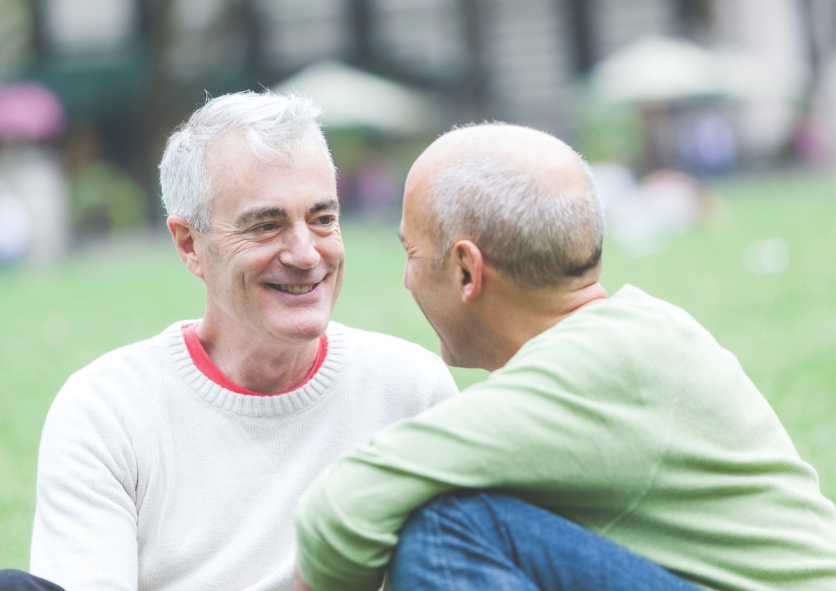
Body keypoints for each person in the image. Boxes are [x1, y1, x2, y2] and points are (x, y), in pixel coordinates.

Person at [292, 123, 836, 591]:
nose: (406, 277)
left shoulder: (598, 366)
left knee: (444, 529)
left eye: (410, 253)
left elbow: (340, 510)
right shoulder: (631, 338)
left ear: (466, 270)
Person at [1, 91, 458, 591]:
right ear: (189, 245)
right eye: (267, 225)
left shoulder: (410, 390)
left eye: (323, 219)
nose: (307, 254)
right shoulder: (107, 411)